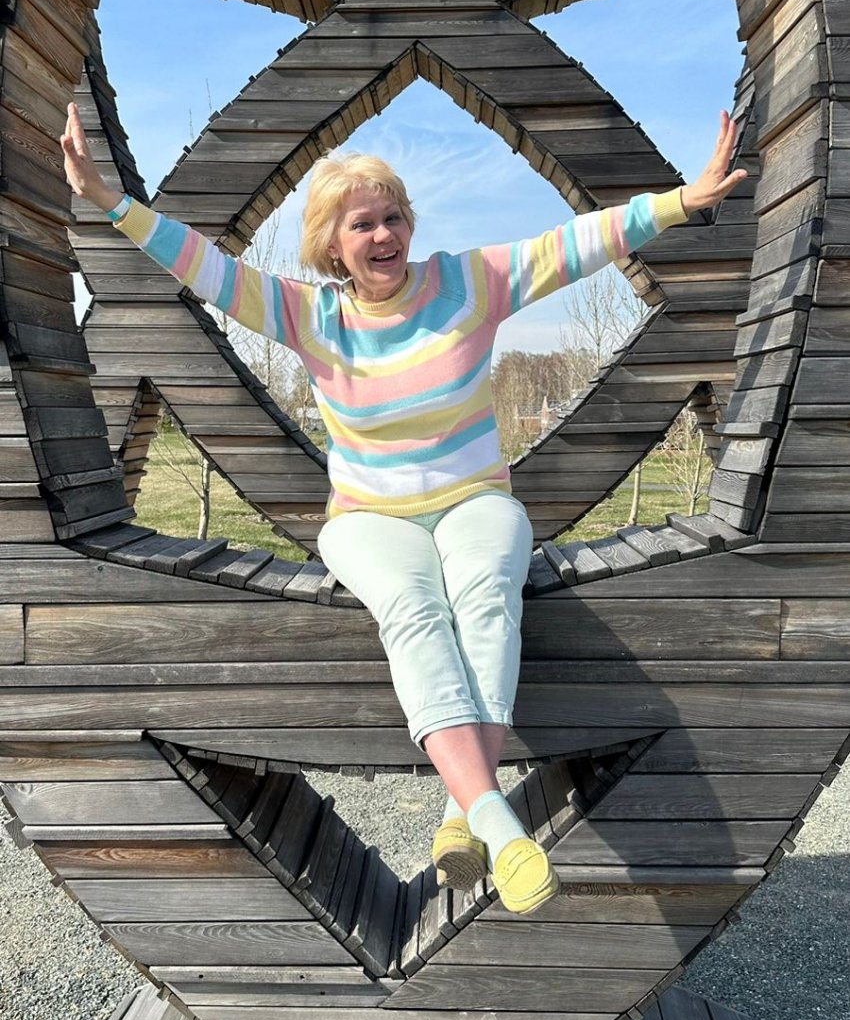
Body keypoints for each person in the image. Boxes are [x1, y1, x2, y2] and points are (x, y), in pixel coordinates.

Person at [61, 102, 746, 915]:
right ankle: (497, 819)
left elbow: (575, 245)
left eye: (393, 217)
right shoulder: (313, 316)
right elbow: (206, 267)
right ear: (332, 245)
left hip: (476, 499)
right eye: (362, 224)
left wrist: (682, 200)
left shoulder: (468, 283)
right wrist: (110, 201)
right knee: (413, 609)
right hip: (369, 518)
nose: (383, 234)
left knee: (486, 595)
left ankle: (465, 807)